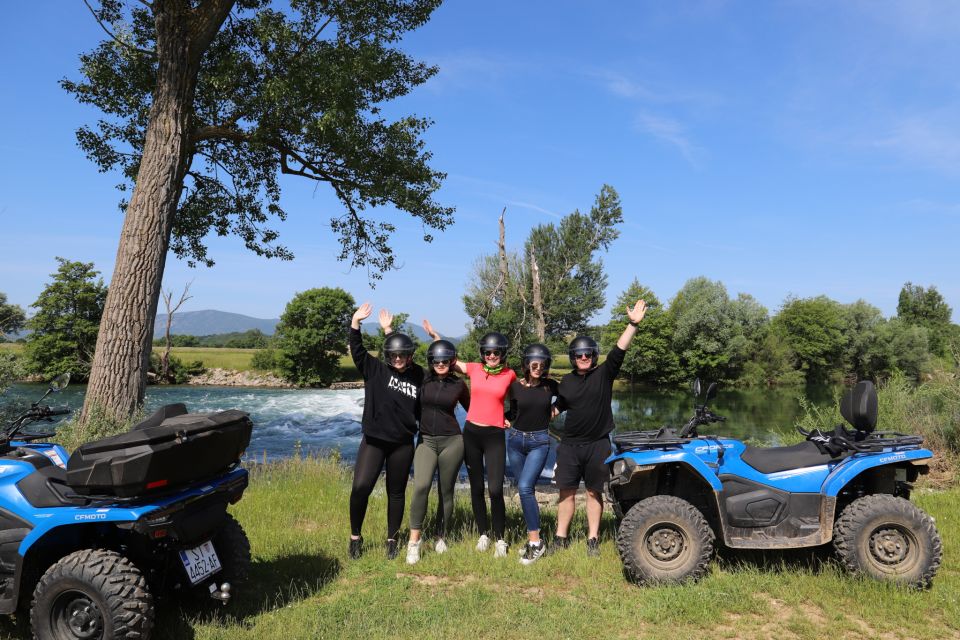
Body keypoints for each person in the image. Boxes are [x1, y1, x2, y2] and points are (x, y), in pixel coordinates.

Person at [552, 299, 647, 557]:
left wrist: (632, 325)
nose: (584, 358)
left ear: (594, 356)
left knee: (594, 493)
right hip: (569, 446)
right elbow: (558, 407)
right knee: (566, 493)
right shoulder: (566, 381)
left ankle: (593, 539)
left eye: (588, 354)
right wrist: (528, 417)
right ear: (573, 358)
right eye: (579, 355)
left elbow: (619, 349)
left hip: (598, 444)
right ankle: (560, 538)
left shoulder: (604, 374)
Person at [423, 320, 516, 558]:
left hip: (495, 435)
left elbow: (520, 402)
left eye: (496, 352)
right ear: (482, 354)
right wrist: (436, 336)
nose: (492, 356)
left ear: (502, 354)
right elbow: (446, 360)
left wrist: (510, 417)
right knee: (476, 488)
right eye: (487, 352)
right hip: (472, 434)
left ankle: (501, 539)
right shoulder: (474, 369)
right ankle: (483, 534)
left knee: (495, 489)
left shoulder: (510, 375)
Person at [348, 303, 424, 560]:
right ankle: (355, 538)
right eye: (393, 355)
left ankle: (392, 539)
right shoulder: (376, 370)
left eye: (402, 355)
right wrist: (355, 323)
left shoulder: (419, 376)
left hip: (402, 443)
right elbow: (357, 352)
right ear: (388, 356)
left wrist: (390, 330)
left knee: (396, 492)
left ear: (410, 355)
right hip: (374, 440)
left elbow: (400, 345)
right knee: (360, 487)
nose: (398, 359)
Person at [405, 339, 470, 565]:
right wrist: (388, 331)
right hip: (426, 441)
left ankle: (440, 536)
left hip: (453, 441)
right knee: (421, 486)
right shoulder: (423, 378)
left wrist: (503, 418)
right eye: (436, 360)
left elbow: (475, 409)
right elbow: (402, 357)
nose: (440, 363)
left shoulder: (459, 385)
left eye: (445, 360)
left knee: (446, 491)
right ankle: (414, 541)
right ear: (431, 361)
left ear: (452, 361)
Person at [505, 343, 558, 565]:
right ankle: (532, 538)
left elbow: (569, 397)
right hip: (515, 440)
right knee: (525, 490)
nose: (538, 367)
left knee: (526, 488)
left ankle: (536, 543)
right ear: (526, 364)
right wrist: (506, 417)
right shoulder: (516, 387)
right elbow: (515, 411)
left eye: (542, 364)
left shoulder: (550, 386)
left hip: (539, 441)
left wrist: (558, 409)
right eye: (534, 363)